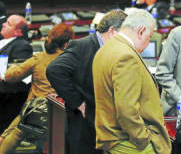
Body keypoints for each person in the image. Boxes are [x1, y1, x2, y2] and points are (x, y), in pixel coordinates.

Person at [46, 10, 127, 154]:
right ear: (112, 31)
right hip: (84, 123)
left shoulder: (112, 49)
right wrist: (77, 102)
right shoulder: (82, 46)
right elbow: (54, 70)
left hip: (104, 124)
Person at [92, 9, 171, 154]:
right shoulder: (126, 56)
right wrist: (143, 139)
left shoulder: (106, 48)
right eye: (149, 36)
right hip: (129, 143)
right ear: (141, 31)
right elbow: (126, 109)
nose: (148, 43)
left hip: (111, 138)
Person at [0, 23, 73, 154]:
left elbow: (12, 76)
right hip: (62, 113)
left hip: (36, 109)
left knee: (10, 134)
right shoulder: (71, 60)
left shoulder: (39, 58)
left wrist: (10, 69)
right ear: (67, 43)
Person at [0, 14, 33, 133]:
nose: (3, 24)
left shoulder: (22, 46)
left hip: (7, 98)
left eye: (8, 24)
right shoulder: (4, 40)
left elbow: (20, 76)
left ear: (18, 32)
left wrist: (3, 76)